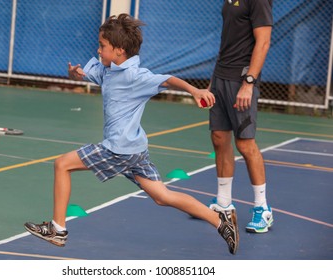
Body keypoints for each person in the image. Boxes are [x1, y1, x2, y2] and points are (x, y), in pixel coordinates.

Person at [24, 13, 239, 254]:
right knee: (162, 196)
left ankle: (58, 230)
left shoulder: (135, 76)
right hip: (136, 151)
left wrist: (193, 90)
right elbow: (87, 74)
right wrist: (75, 75)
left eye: (102, 46)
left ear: (119, 50)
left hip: (119, 149)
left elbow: (167, 80)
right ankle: (221, 222)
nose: (98, 50)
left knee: (62, 164)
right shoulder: (108, 70)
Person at [204, 0, 274, 233]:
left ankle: (262, 209)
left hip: (241, 79)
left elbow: (263, 42)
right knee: (219, 138)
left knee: (245, 143)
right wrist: (214, 81)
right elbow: (228, 40)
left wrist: (249, 82)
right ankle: (223, 204)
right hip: (221, 75)